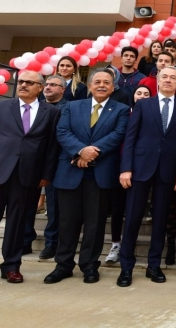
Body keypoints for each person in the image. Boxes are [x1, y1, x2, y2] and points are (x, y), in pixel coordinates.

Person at [0, 71, 60, 287]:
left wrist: (47, 175)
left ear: (40, 87)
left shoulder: (51, 112)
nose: (24, 85)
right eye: (21, 82)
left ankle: (11, 267)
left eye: (30, 83)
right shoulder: (1, 107)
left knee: (17, 224)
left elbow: (52, 147)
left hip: (28, 176)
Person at [44, 69, 130, 285]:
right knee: (67, 223)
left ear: (113, 87)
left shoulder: (121, 109)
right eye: (97, 81)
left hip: (100, 174)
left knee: (95, 223)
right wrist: (80, 151)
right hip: (70, 171)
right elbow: (62, 132)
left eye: (107, 82)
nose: (102, 85)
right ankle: (63, 265)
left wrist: (91, 152)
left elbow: (118, 134)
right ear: (90, 85)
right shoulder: (72, 107)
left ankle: (89, 265)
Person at [117, 66, 176, 287]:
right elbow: (130, 139)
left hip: (167, 171)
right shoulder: (143, 105)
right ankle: (126, 268)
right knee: (132, 219)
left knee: (160, 219)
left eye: (173, 78)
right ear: (157, 81)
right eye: (164, 77)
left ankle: (153, 265)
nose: (168, 80)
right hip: (140, 168)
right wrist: (126, 168)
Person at [105, 84, 152, 265]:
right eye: (139, 93)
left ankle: (128, 247)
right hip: (120, 165)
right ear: (133, 96)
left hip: (142, 168)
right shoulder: (124, 112)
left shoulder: (153, 115)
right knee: (118, 207)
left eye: (146, 94)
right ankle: (116, 244)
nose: (142, 96)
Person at [31, 75, 69, 260]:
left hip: (55, 162)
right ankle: (24, 240)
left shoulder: (68, 108)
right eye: (46, 84)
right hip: (31, 161)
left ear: (63, 89)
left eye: (54, 85)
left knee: (53, 207)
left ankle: (51, 243)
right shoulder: (35, 106)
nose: (48, 87)